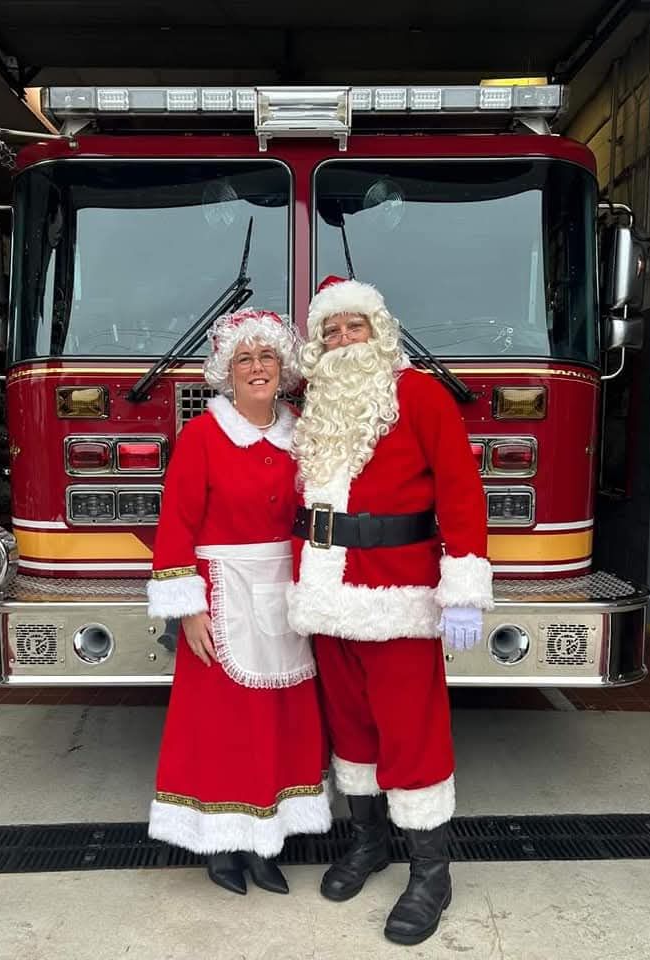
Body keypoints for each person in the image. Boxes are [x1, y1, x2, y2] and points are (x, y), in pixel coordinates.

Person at [288, 276, 493, 945]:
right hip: (325, 597)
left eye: (355, 328)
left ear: (380, 333)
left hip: (397, 596)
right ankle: (369, 842)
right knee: (351, 731)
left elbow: (461, 492)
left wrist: (460, 586)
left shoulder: (420, 394)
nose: (345, 341)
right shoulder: (315, 403)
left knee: (412, 735)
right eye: (332, 332)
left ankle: (431, 873)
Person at [147, 307, 331, 896]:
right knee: (221, 724)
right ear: (227, 371)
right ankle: (222, 846)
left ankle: (264, 841)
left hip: (286, 589)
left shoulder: (302, 429)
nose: (257, 368)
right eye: (245, 359)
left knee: (281, 719)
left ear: (284, 367)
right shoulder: (202, 435)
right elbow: (175, 521)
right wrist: (189, 605)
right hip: (222, 593)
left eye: (267, 356)